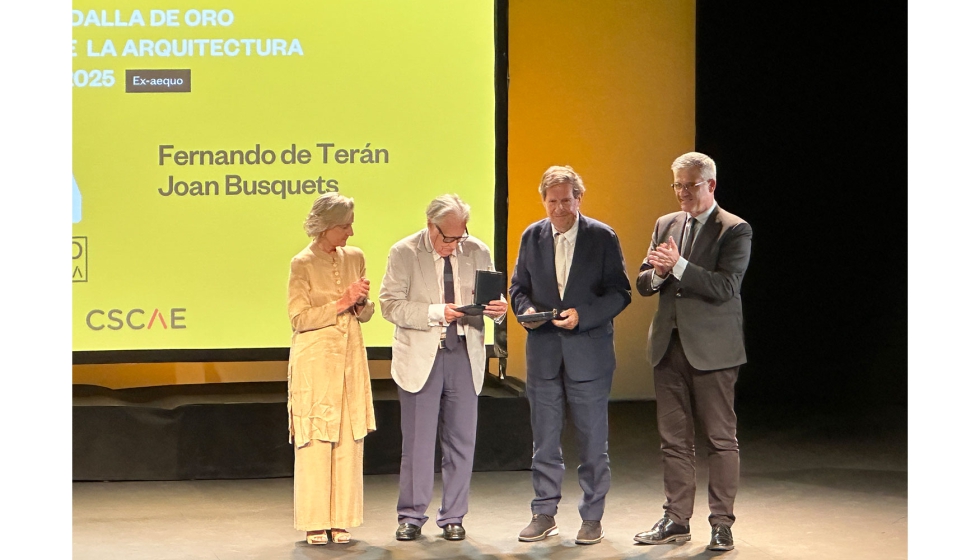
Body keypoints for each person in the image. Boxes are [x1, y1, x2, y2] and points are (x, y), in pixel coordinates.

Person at [632, 152, 752, 552]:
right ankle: (675, 518)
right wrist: (660, 273)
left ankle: (721, 523)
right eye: (677, 185)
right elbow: (644, 282)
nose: (682, 192)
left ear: (710, 185)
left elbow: (725, 287)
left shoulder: (733, 229)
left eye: (690, 185)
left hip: (713, 352)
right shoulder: (666, 224)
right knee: (674, 440)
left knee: (720, 439)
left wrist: (679, 266)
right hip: (669, 347)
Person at [509, 165, 631, 545]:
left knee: (593, 443)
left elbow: (620, 292)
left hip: (589, 358)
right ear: (543, 201)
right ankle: (543, 512)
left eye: (566, 200)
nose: (559, 208)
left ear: (579, 198)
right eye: (552, 201)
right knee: (544, 441)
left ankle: (592, 518)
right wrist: (524, 311)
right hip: (544, 355)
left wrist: (583, 315)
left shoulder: (601, 237)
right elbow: (518, 288)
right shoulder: (532, 236)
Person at [379, 194, 508, 542]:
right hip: (423, 355)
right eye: (446, 238)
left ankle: (453, 516)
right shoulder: (404, 252)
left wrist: (499, 308)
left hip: (465, 354)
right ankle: (411, 515)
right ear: (430, 225)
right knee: (418, 443)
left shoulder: (477, 250)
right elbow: (389, 306)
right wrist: (436, 312)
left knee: (462, 441)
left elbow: (490, 298)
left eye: (458, 237)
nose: (453, 244)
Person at [286, 193, 376, 545]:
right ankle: (313, 521)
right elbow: (299, 318)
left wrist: (361, 304)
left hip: (350, 358)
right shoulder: (302, 263)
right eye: (344, 226)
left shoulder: (356, 258)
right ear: (325, 228)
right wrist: (342, 302)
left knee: (348, 436)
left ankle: (341, 519)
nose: (350, 232)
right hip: (315, 361)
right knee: (316, 438)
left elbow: (365, 314)